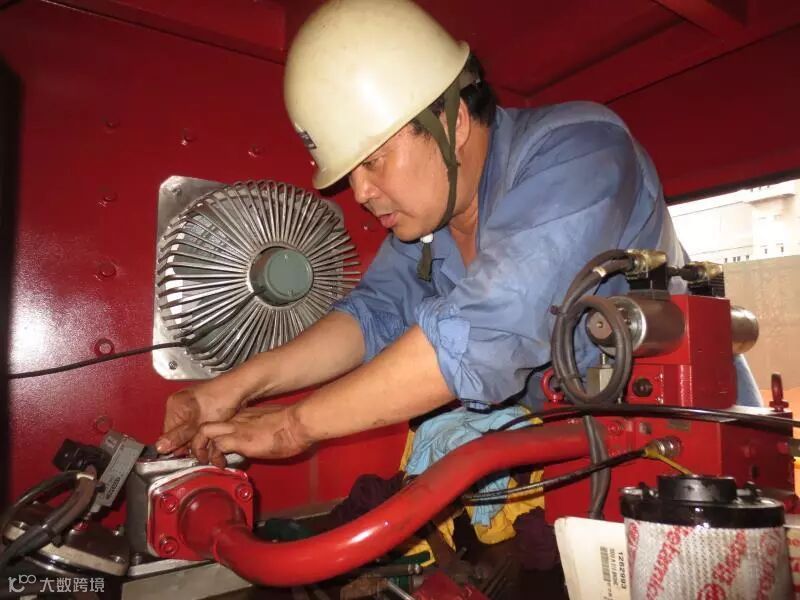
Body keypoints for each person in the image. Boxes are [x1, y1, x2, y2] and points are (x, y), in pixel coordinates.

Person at [154, 0, 760, 467]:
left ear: (454, 123)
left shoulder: (580, 150)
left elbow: (486, 335)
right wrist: (227, 389)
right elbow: (370, 317)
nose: (359, 193)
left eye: (373, 161)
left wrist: (294, 427)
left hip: (695, 449)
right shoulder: (429, 230)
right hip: (583, 453)